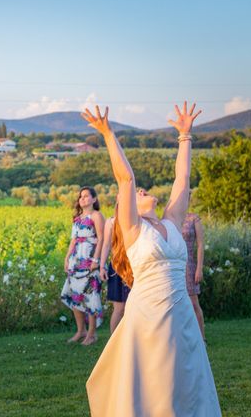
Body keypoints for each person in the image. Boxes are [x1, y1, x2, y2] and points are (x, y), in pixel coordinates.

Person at [82, 103, 221, 416]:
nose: (141, 190)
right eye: (137, 193)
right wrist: (108, 134)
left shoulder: (172, 220)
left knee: (185, 378)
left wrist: (185, 136)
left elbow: (182, 179)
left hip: (182, 312)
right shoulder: (133, 228)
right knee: (155, 382)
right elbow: (126, 179)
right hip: (150, 313)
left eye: (143, 190)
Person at [60, 187, 105, 345]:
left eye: (86, 196)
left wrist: (96, 260)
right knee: (75, 296)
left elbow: (101, 239)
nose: (83, 199)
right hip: (76, 261)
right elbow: (73, 240)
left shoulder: (97, 216)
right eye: (81, 197)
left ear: (94, 199)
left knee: (90, 296)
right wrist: (67, 259)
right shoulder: (77, 218)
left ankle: (92, 334)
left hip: (90, 260)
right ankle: (81, 331)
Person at [99, 212, 130, 334]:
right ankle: (113, 342)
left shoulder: (137, 218)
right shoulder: (111, 221)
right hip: (117, 266)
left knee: (134, 307)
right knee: (119, 308)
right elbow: (106, 245)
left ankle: (130, 340)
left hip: (136, 266)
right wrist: (102, 266)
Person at [182, 211, 206, 340]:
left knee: (194, 303)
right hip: (174, 266)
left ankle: (202, 338)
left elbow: (201, 244)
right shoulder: (169, 217)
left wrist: (199, 268)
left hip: (189, 266)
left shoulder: (193, 218)